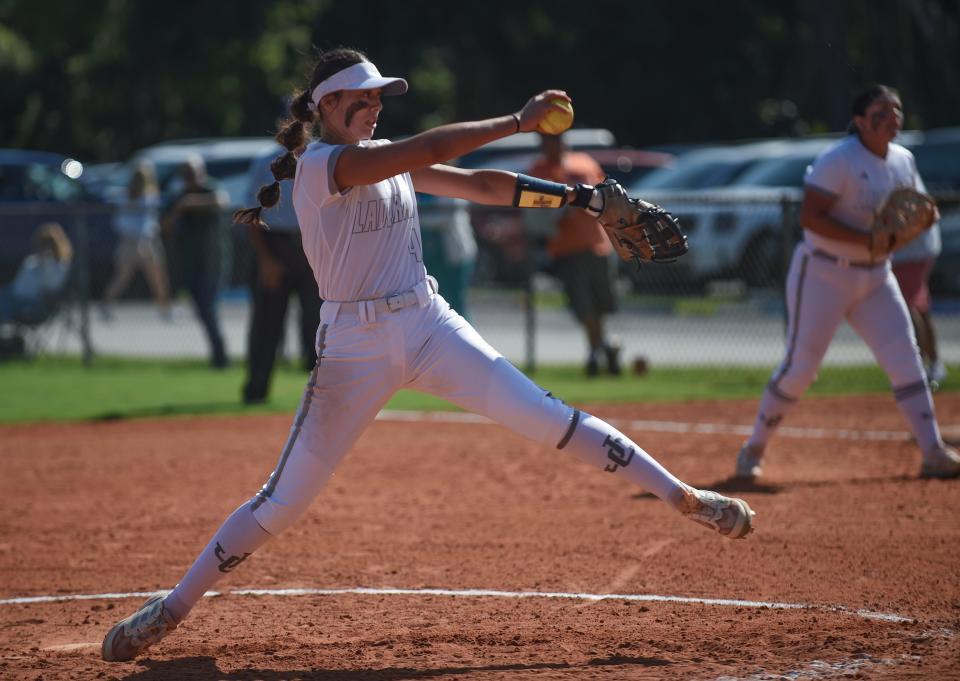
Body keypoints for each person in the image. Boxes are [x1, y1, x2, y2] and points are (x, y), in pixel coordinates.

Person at [101, 48, 755, 663]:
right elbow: (437, 145)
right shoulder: (325, 165)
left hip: (427, 322)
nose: (376, 105)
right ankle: (172, 606)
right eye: (363, 97)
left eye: (380, 96)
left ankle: (683, 496)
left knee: (548, 415)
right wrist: (518, 120)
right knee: (281, 504)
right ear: (327, 107)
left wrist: (579, 197)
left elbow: (479, 186)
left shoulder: (379, 154)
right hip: (352, 350)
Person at [733, 84, 960, 483]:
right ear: (859, 121)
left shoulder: (903, 160)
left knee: (906, 358)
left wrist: (922, 221)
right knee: (800, 367)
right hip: (823, 273)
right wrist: (868, 240)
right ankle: (753, 449)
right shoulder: (838, 159)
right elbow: (811, 217)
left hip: (876, 276)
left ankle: (932, 451)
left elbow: (919, 207)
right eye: (882, 111)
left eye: (897, 110)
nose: (893, 118)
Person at [528, 133, 621, 376]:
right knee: (583, 304)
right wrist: (554, 215)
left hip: (597, 243)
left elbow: (606, 198)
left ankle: (602, 347)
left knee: (600, 304)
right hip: (566, 247)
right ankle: (604, 347)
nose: (553, 144)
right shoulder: (539, 169)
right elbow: (532, 210)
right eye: (548, 139)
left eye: (556, 138)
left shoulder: (584, 163)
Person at [242, 149, 323, 404]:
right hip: (275, 244)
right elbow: (250, 213)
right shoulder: (267, 162)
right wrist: (266, 259)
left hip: (313, 244)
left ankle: (323, 395)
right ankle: (256, 390)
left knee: (320, 324)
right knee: (267, 324)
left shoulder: (323, 159)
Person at [162, 156, 230, 369]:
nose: (189, 179)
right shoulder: (178, 196)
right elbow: (165, 226)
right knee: (202, 310)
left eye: (192, 174)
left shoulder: (211, 189)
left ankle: (220, 358)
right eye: (185, 175)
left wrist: (189, 203)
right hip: (189, 263)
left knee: (208, 309)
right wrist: (179, 208)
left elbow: (221, 200)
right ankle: (218, 356)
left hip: (213, 262)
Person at [100, 160, 172, 321]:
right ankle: (106, 306)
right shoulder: (126, 197)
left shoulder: (150, 196)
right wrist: (139, 238)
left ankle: (165, 310)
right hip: (133, 241)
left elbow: (147, 221)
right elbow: (123, 221)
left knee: (157, 277)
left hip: (145, 241)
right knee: (123, 276)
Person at [891, 221, 947, 388]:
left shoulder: (906, 194)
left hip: (910, 254)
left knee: (909, 308)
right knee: (921, 308)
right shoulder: (913, 193)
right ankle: (935, 366)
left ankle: (917, 369)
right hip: (919, 251)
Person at [0, 222, 72, 324]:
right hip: (14, 297)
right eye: (42, 245)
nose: (43, 249)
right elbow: (18, 285)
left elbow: (51, 286)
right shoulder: (32, 261)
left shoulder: (60, 266)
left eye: (48, 246)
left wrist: (47, 263)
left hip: (34, 304)